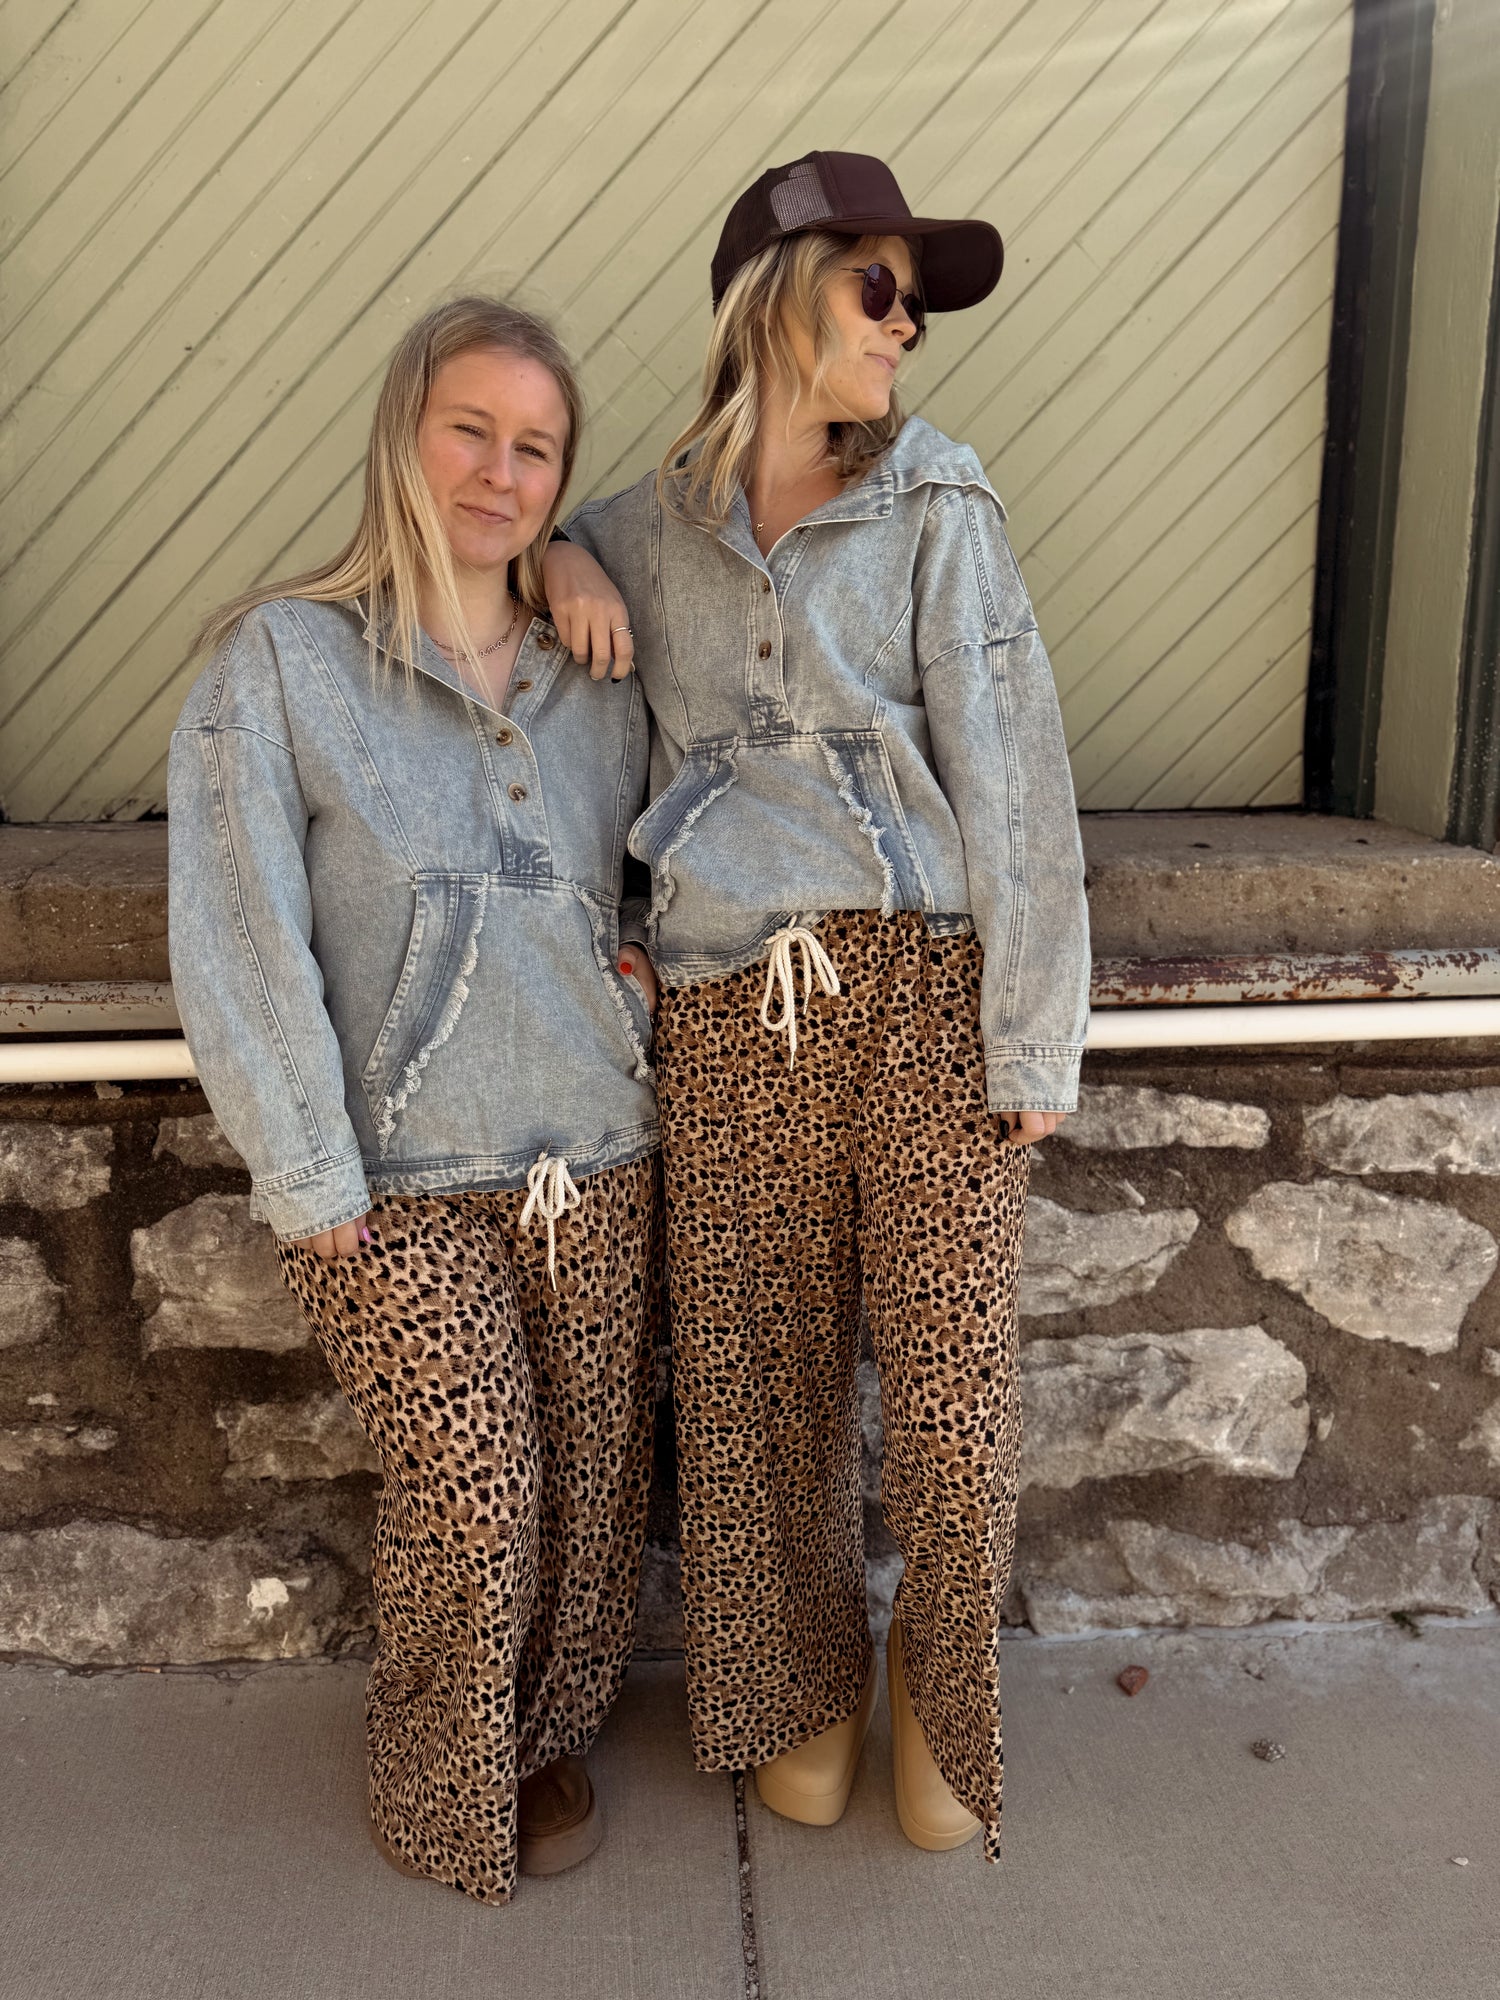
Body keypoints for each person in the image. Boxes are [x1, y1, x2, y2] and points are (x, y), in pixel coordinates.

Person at [544, 152, 1090, 1861]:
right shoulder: (643, 528)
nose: (906, 323)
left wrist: (1032, 1031)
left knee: (949, 1391)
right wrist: (555, 555)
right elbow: (510, 556)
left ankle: (938, 1681)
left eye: (916, 300)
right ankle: (797, 1683)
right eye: (879, 286)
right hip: (729, 1007)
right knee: (753, 1383)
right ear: (776, 297)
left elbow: (1014, 779)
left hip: (921, 990)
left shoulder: (937, 500)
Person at [167, 297, 662, 1904]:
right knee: (482, 1488)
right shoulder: (283, 663)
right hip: (397, 1179)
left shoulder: (602, 670)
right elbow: (240, 935)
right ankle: (440, 1777)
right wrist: (311, 1176)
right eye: (472, 431)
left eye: (538, 450)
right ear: (404, 432)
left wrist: (646, 973)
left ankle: (549, 1729)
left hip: (598, 1146)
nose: (500, 472)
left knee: (591, 1493)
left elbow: (694, 845)